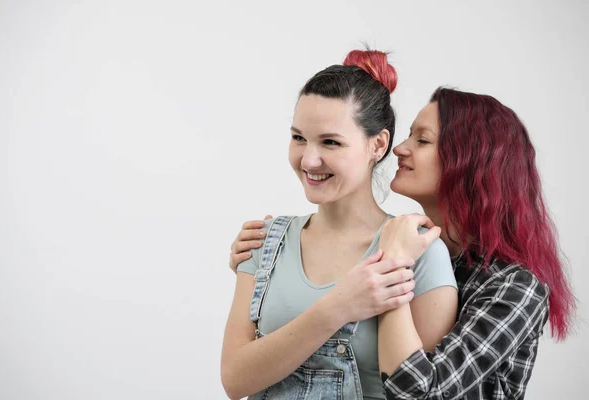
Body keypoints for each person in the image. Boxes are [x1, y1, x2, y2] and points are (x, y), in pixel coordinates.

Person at [229, 87, 576, 399]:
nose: (399, 148)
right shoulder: (416, 245)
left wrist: (393, 266)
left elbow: (418, 392)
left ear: (471, 162)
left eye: (422, 141)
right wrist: (266, 265)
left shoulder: (515, 284)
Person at [220, 50, 458, 400]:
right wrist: (339, 307)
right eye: (299, 137)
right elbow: (234, 380)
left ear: (378, 145)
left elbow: (420, 393)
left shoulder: (419, 252)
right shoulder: (265, 242)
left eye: (330, 142)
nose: (309, 159)